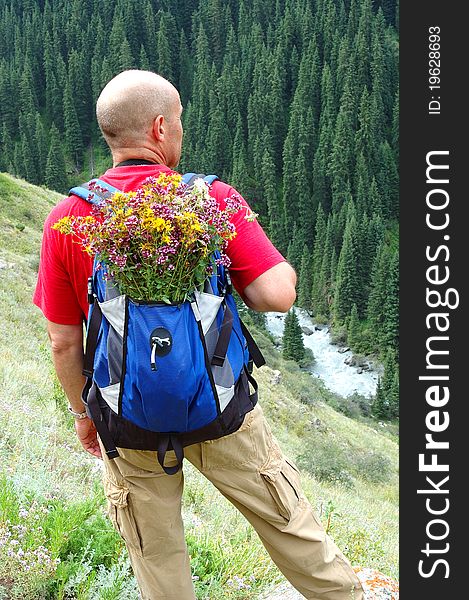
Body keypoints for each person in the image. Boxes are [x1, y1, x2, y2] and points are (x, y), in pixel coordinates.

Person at [34, 70, 364, 600]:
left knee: (157, 555)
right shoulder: (209, 199)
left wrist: (84, 415)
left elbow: (64, 341)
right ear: (161, 128)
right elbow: (277, 295)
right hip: (222, 404)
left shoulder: (69, 217)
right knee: (287, 523)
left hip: (127, 419)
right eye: (181, 121)